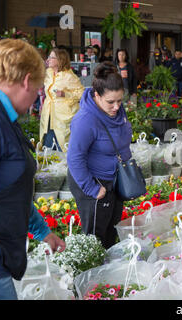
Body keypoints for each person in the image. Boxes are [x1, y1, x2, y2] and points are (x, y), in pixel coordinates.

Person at [0, 39, 66, 300]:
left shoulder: (5, 116)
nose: (38, 96)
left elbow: (10, 189)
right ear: (26, 81)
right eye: (37, 89)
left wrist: (42, 231)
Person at [67, 62, 132, 249]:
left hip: (113, 180)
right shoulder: (85, 120)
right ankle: (92, 275)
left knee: (111, 233)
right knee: (95, 239)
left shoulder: (117, 113)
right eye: (110, 102)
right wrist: (92, 189)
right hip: (94, 182)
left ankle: (107, 275)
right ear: (96, 95)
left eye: (120, 101)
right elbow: (74, 158)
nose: (116, 107)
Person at [40, 48, 84, 152]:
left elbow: (81, 93)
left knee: (63, 144)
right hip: (48, 114)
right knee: (47, 143)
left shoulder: (69, 76)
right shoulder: (48, 73)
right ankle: (48, 165)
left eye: (51, 57)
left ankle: (64, 166)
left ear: (60, 60)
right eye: (49, 56)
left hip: (63, 116)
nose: (48, 59)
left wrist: (65, 94)